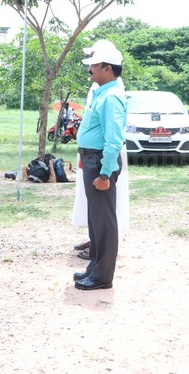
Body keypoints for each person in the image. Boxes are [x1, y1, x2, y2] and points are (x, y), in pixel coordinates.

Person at [72, 42, 127, 291]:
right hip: (92, 160)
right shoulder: (102, 92)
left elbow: (113, 139)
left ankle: (103, 276)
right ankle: (95, 268)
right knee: (96, 220)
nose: (90, 69)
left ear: (107, 68)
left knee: (104, 222)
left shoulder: (111, 97)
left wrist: (105, 174)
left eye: (94, 65)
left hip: (100, 163)